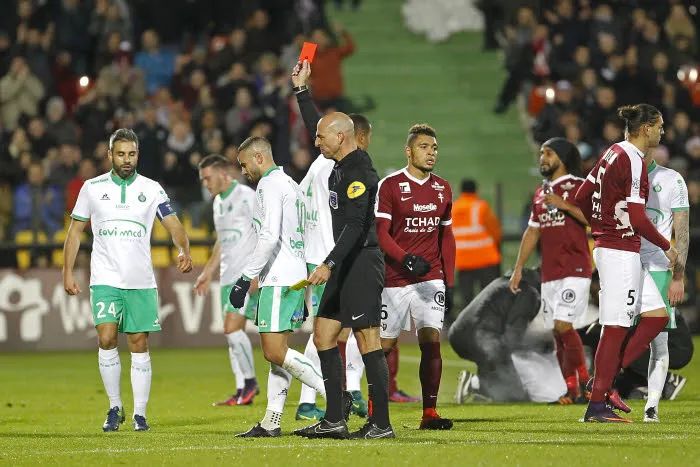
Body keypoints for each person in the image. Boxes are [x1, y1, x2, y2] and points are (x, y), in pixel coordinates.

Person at [62, 128, 193, 432]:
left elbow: (173, 223)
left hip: (140, 280)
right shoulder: (92, 188)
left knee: (139, 342)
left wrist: (183, 249)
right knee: (106, 338)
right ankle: (113, 406)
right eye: (120, 154)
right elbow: (75, 232)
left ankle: (140, 413)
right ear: (110, 155)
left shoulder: (151, 188)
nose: (126, 160)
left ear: (137, 155)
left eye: (131, 154)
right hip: (105, 278)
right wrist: (67, 271)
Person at [292, 64, 393, 440]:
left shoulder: (358, 171)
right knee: (323, 335)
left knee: (368, 340)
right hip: (344, 263)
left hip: (361, 262)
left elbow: (354, 225)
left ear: (340, 137)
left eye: (321, 138)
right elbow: (315, 126)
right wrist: (302, 92)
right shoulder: (336, 162)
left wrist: (328, 263)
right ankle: (335, 418)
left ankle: (381, 424)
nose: (315, 142)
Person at [574, 104, 679, 423]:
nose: (663, 131)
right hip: (619, 251)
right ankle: (596, 405)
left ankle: (603, 384)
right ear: (646, 128)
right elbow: (636, 216)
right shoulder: (633, 159)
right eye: (659, 126)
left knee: (658, 316)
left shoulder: (611, 152)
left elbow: (581, 196)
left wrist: (601, 225)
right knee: (616, 325)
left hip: (614, 246)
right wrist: (667, 247)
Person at [231, 136, 329, 438]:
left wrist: (246, 276)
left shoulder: (270, 185)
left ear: (259, 158)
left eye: (245, 164)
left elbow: (270, 235)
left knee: (274, 351)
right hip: (292, 275)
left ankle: (335, 395)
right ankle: (272, 421)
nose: (244, 172)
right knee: (280, 352)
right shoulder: (291, 184)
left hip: (279, 278)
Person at [375, 123, 455, 430]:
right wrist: (406, 259)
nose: (431, 152)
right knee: (383, 345)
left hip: (430, 275)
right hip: (395, 276)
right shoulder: (391, 185)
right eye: (424, 147)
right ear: (409, 151)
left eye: (434, 147)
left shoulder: (443, 188)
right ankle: (375, 411)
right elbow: (381, 233)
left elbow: (447, 236)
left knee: (431, 341)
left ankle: (429, 413)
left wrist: (449, 277)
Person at [294, 104, 371, 421]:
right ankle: (320, 397)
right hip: (332, 256)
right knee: (338, 330)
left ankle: (342, 392)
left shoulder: (318, 166)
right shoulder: (336, 168)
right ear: (358, 138)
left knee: (337, 330)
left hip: (318, 254)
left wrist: (302, 92)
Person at [510, 137, 592, 403]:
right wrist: (518, 268)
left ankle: (586, 383)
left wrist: (565, 204)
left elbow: (593, 219)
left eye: (548, 153)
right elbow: (532, 232)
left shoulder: (579, 186)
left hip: (575, 267)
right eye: (541, 154)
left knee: (563, 325)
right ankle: (571, 389)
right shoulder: (540, 194)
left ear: (562, 157)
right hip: (550, 272)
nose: (542, 158)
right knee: (557, 333)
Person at [194, 154, 259, 407]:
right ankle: (242, 388)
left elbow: (265, 232)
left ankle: (251, 383)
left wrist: (255, 272)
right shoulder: (218, 203)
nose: (205, 184)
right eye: (202, 180)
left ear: (223, 174)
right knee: (234, 336)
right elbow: (222, 240)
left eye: (208, 178)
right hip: (227, 276)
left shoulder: (246, 197)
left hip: (245, 274)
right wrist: (208, 271)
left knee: (232, 329)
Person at [637, 147, 690, 422]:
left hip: (658, 268)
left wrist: (678, 276)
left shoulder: (671, 180)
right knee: (612, 335)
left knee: (659, 343)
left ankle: (652, 406)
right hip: (624, 265)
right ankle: (603, 397)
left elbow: (682, 232)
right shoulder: (619, 178)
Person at [451, 179, 502, 314]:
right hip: (485, 259)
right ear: (476, 190)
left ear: (461, 191)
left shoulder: (452, 209)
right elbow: (495, 231)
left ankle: (467, 328)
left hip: (463, 262)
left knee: (466, 300)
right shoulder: (481, 207)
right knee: (489, 297)